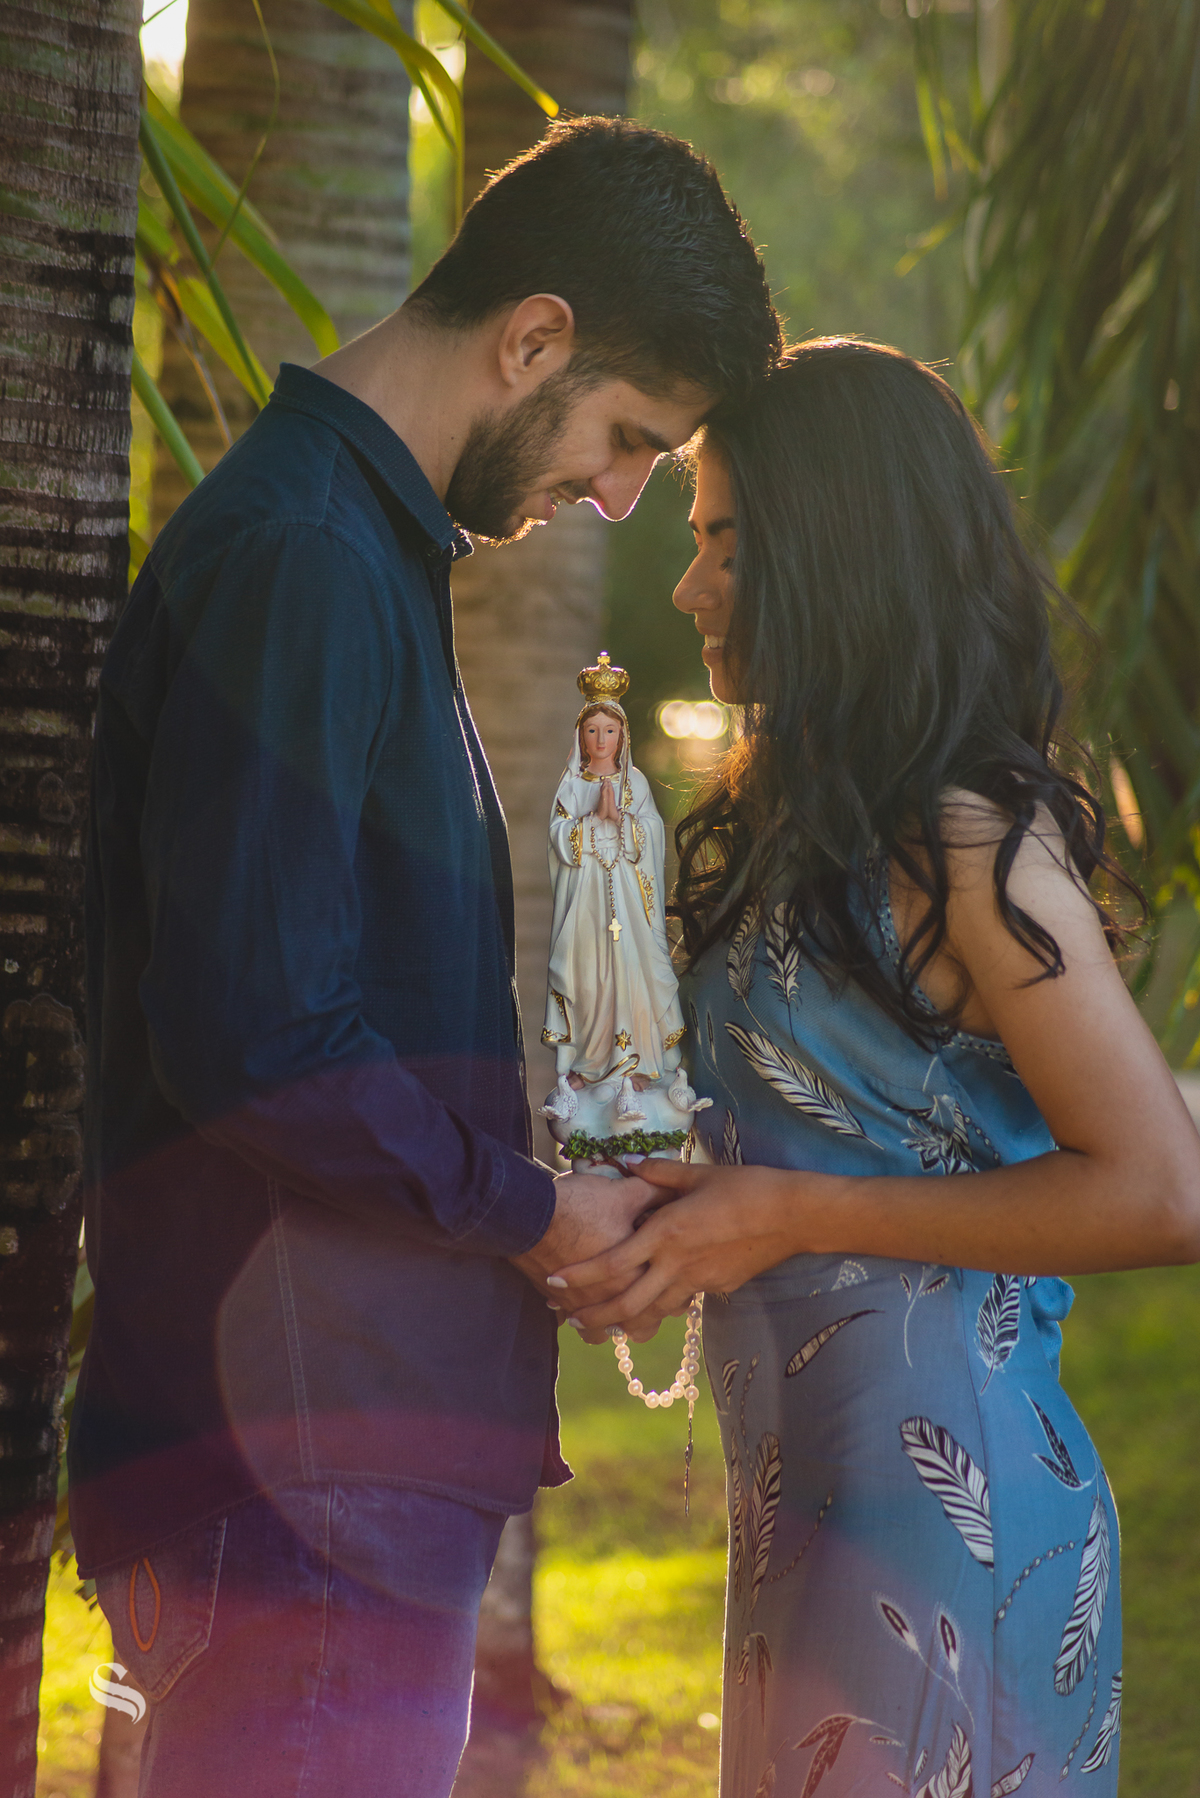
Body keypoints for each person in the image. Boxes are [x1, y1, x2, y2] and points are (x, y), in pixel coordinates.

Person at [69, 116, 780, 1798]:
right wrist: (535, 1209)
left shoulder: (360, 552)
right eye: (624, 436)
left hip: (330, 1465)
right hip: (304, 1473)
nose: (615, 493)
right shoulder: (309, 560)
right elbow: (262, 1031)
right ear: (531, 336)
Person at [549, 341, 1200, 1797]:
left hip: (947, 1520)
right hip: (807, 1508)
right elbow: (847, 1134)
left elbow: (1163, 1190)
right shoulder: (803, 819)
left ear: (833, 551)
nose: (689, 587)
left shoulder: (967, 829)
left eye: (725, 542)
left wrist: (786, 1216)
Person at [542, 660, 687, 1128]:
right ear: (580, 735)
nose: (601, 741)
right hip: (586, 902)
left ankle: (635, 1067)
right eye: (592, 731)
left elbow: (651, 834)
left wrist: (622, 822)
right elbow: (558, 836)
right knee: (589, 976)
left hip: (627, 899)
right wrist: (590, 822)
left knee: (630, 974)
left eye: (609, 731)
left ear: (623, 736)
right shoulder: (571, 784)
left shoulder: (635, 784)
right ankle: (590, 1061)